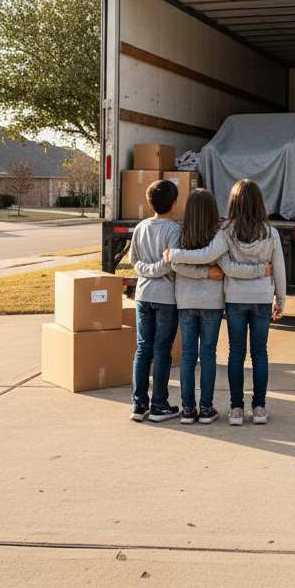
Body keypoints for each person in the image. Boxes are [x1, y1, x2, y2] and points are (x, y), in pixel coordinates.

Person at [164, 179, 285, 426]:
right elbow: (279, 270)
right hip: (262, 298)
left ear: (233, 203)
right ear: (260, 203)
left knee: (236, 353)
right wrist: (279, 298)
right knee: (260, 353)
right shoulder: (271, 233)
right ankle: (259, 408)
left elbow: (219, 263)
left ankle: (236, 409)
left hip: (235, 299)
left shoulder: (227, 232)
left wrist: (175, 254)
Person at [163, 188, 230, 425]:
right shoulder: (220, 233)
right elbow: (178, 262)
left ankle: (188, 409)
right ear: (213, 209)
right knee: (208, 355)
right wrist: (207, 272)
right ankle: (206, 408)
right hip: (211, 302)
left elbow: (177, 264)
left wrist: (193, 267)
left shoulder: (180, 233)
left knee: (189, 355)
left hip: (186, 301)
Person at [127, 178, 181, 423]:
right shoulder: (174, 230)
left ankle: (138, 405)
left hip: (142, 295)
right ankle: (159, 404)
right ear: (175, 204)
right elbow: (172, 263)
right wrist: (155, 269)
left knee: (143, 350)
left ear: (150, 204)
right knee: (161, 352)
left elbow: (133, 259)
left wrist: (145, 271)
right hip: (166, 297)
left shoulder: (140, 227)